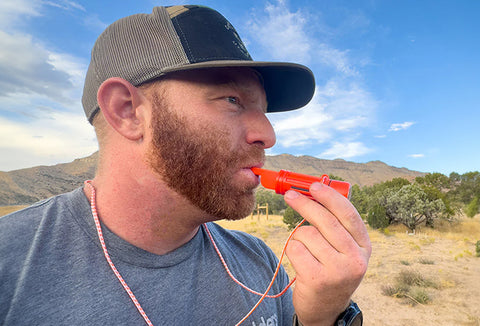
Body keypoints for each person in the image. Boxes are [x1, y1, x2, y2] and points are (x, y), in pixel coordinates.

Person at [0, 5, 371, 326]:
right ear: (127, 111)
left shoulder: (259, 263)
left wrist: (321, 317)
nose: (268, 135)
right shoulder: (11, 266)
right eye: (232, 99)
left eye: (263, 110)